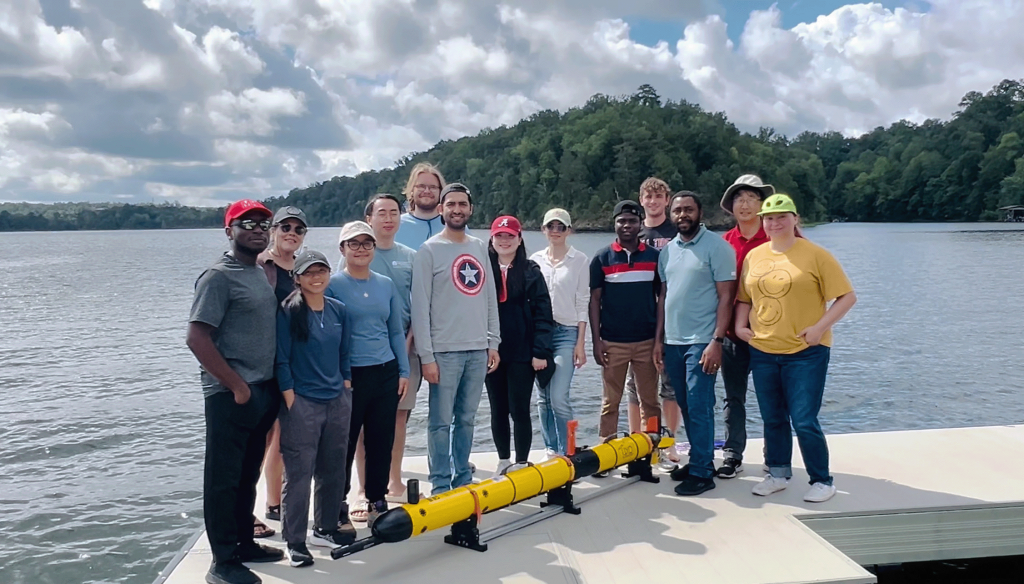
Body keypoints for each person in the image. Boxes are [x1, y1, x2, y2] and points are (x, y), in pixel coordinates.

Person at [735, 194, 857, 503]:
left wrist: (819, 328)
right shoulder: (755, 256)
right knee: (772, 416)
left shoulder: (816, 255)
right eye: (769, 218)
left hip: (806, 351)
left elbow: (846, 297)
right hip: (763, 349)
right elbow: (745, 298)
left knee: (804, 418)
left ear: (795, 219)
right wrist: (739, 327)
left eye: (781, 217)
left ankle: (821, 479)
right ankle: (777, 473)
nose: (775, 223)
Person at [186, 199, 283, 584]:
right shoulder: (217, 277)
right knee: (223, 479)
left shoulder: (258, 271)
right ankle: (222, 563)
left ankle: (244, 542)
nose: (258, 229)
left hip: (261, 390)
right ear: (229, 231)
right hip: (231, 395)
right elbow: (197, 337)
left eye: (264, 223)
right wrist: (237, 386)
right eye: (248, 223)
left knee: (247, 474)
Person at [410, 183, 500, 494]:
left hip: (477, 350)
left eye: (463, 204)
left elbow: (489, 297)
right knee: (439, 423)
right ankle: (440, 484)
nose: (457, 209)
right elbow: (420, 308)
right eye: (451, 204)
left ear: (470, 209)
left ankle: (462, 477)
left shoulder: (478, 247)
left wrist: (493, 342)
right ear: (440, 210)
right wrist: (426, 357)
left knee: (466, 419)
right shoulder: (429, 251)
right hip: (444, 354)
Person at [653, 192, 737, 496]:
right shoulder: (668, 251)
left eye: (688, 209)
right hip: (673, 340)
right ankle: (699, 459)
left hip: (702, 340)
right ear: (671, 214)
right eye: (677, 210)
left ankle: (703, 472)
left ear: (700, 213)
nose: (682, 215)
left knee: (699, 403)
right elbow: (664, 297)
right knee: (686, 402)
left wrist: (717, 340)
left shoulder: (717, 247)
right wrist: (659, 339)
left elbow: (727, 297)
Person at [327, 222, 410, 527]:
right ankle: (338, 503)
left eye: (367, 243)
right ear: (342, 249)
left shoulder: (386, 284)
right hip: (350, 376)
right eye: (354, 244)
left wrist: (403, 370)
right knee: (343, 443)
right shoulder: (333, 284)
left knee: (380, 439)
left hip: (385, 371)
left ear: (375, 249)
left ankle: (378, 498)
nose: (361, 249)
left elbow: (395, 332)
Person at [275, 250, 353, 567]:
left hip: (337, 400)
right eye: (309, 272)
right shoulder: (288, 311)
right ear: (297, 278)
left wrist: (346, 388)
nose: (316, 277)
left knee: (333, 469)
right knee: (298, 474)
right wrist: (291, 399)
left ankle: (324, 527)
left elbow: (345, 355)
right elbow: (281, 359)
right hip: (302, 402)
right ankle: (294, 540)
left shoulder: (339, 310)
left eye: (321, 270)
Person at [589, 200, 661, 463]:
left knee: (650, 401)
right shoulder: (601, 258)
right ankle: (606, 455)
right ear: (615, 224)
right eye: (622, 220)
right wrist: (596, 342)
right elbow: (594, 301)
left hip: (646, 340)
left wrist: (658, 341)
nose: (626, 225)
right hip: (612, 342)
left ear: (640, 224)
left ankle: (651, 453)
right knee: (611, 403)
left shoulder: (654, 257)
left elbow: (661, 298)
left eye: (632, 220)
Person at [485, 216, 554, 475]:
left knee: (519, 408)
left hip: (523, 352)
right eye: (499, 236)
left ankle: (522, 460)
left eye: (509, 236)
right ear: (491, 240)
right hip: (492, 351)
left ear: (519, 239)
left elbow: (543, 313)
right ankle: (503, 459)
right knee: (497, 408)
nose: (504, 241)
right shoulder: (482, 269)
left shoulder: (531, 271)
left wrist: (540, 351)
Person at [362, 195, 420, 501]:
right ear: (369, 218)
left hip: (406, 348)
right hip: (364, 350)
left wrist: (406, 343)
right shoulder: (357, 254)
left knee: (399, 416)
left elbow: (419, 305)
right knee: (362, 423)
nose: (388, 218)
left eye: (394, 213)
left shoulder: (410, 256)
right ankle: (362, 486)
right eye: (381, 213)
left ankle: (393, 479)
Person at [255, 205, 308, 536]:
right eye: (285, 226)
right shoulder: (262, 266)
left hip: (299, 361)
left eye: (298, 229)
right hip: (268, 362)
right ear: (273, 230)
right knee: (270, 434)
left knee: (288, 432)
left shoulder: (303, 269)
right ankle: (272, 503)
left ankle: (280, 499)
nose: (291, 232)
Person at [717, 175, 773, 478]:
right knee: (733, 397)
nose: (745, 204)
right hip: (730, 335)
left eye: (752, 197)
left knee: (771, 397)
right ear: (732, 206)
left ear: (762, 204)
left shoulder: (778, 236)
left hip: (770, 333)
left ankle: (773, 455)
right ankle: (733, 454)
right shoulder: (723, 242)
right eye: (739, 198)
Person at [529, 209, 589, 457]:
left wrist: (580, 343)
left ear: (568, 231)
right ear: (543, 230)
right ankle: (551, 448)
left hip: (566, 332)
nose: (555, 231)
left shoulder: (580, 260)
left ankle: (569, 450)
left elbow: (582, 301)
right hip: (539, 334)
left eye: (560, 227)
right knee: (542, 397)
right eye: (550, 226)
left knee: (559, 397)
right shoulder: (535, 260)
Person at [395, 162, 445, 250]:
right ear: (411, 190)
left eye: (433, 187)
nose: (427, 191)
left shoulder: (453, 225)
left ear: (440, 192)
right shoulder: (396, 225)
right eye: (421, 186)